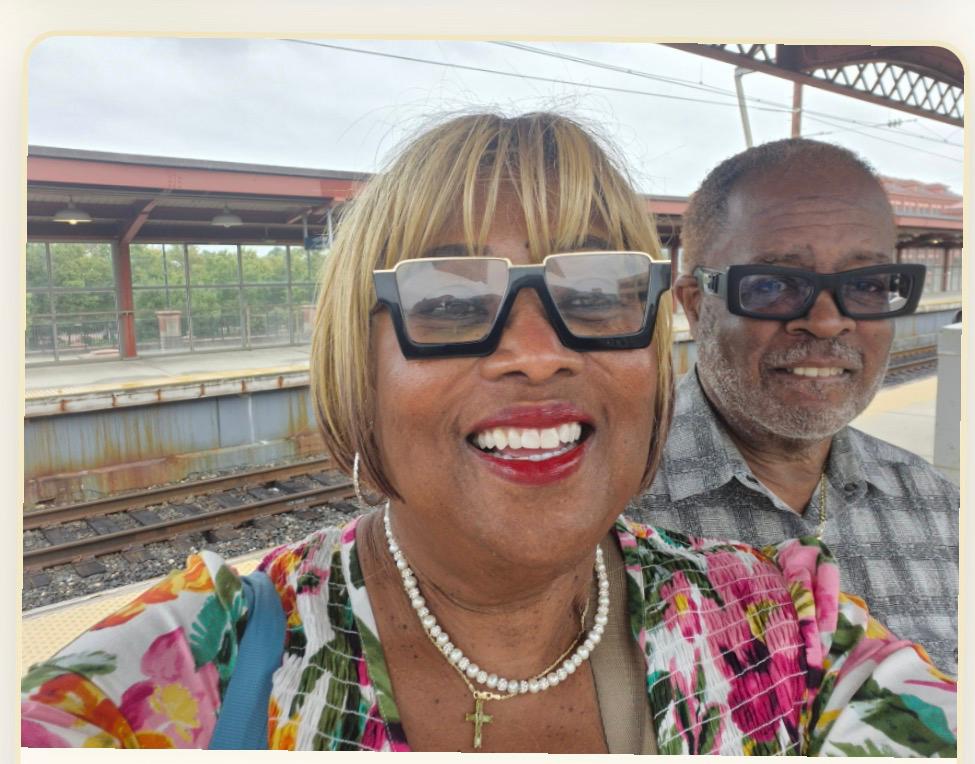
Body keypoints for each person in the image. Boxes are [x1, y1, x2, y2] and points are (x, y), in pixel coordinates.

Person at [21, 114, 956, 755]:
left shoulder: (787, 631)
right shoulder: (177, 672)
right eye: (449, 298)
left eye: (594, 292)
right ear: (360, 355)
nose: (538, 354)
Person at [632, 138, 959, 672]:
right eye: (772, 284)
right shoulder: (608, 504)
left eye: (869, 284)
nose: (828, 321)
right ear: (695, 305)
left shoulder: (941, 510)